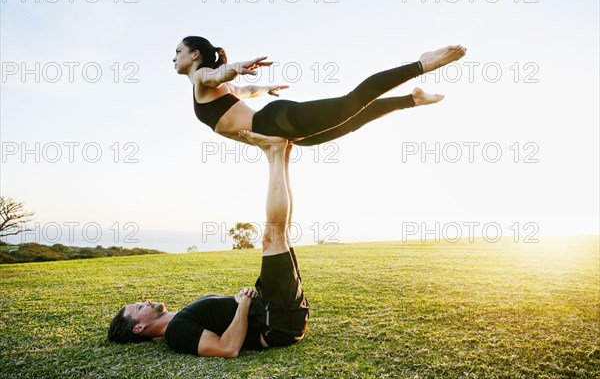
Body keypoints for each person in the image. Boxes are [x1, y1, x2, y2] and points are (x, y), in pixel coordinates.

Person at [108, 131, 308, 358]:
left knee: (281, 235)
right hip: (278, 324)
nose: (146, 301)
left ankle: (282, 154)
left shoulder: (181, 317)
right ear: (138, 328)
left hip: (274, 311)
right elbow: (227, 348)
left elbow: (223, 319)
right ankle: (275, 152)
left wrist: (239, 300)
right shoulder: (176, 333)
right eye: (138, 308)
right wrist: (242, 304)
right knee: (272, 238)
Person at [173, 36, 466, 146]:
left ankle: (422, 63)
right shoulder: (214, 87)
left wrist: (237, 65)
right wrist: (265, 87)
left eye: (178, 51)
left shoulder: (202, 78)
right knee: (352, 120)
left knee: (350, 103)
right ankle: (410, 99)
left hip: (274, 122)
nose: (174, 58)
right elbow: (244, 90)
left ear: (195, 55)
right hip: (285, 135)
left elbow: (220, 75)